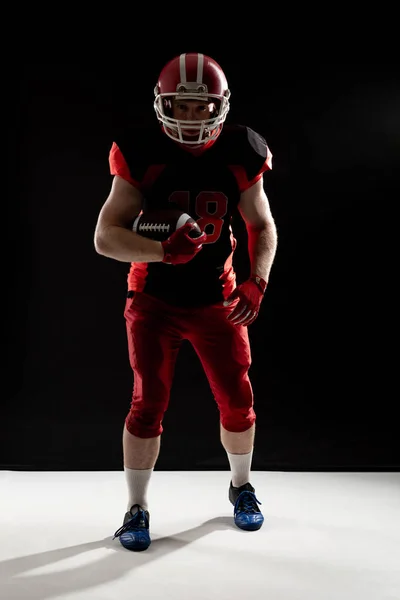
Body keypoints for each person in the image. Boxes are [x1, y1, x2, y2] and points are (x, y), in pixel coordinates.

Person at [94, 52, 278, 552]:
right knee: (147, 403)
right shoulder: (139, 149)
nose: (192, 118)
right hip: (153, 298)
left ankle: (241, 486)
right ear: (162, 104)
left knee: (238, 400)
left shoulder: (242, 149)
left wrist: (256, 281)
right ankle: (136, 507)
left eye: (202, 107)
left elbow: (262, 224)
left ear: (220, 106)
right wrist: (159, 251)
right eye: (182, 105)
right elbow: (105, 237)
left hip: (218, 299)